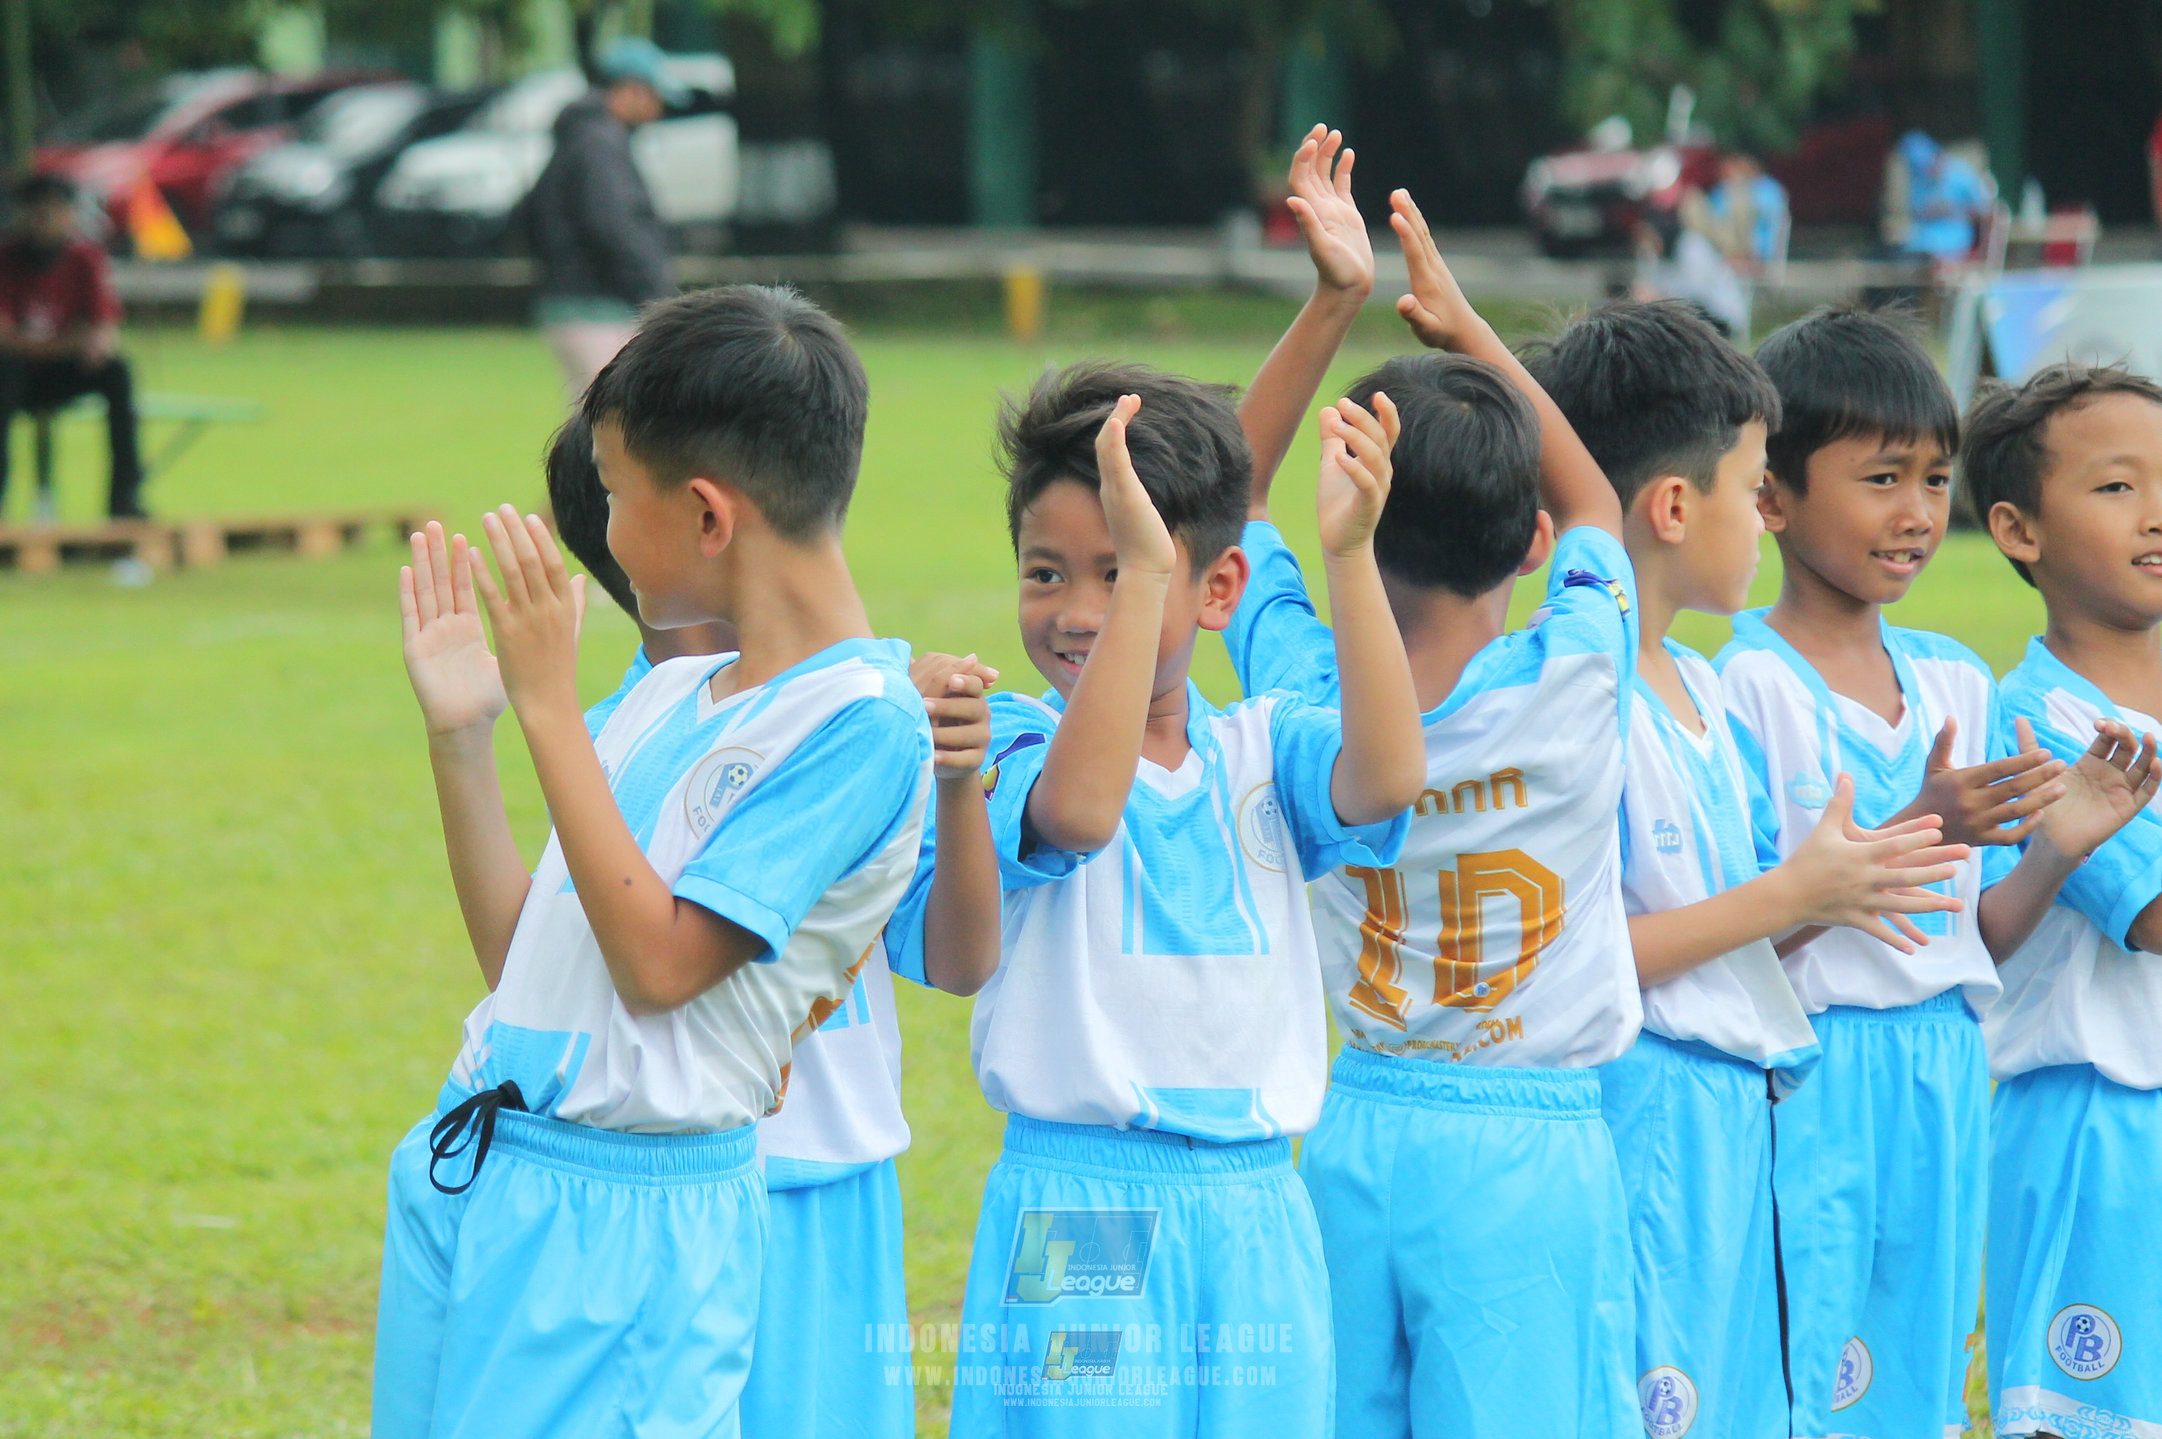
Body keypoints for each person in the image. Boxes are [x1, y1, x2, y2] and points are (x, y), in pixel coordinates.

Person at [374, 284, 933, 1439]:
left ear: (708, 515)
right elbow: (520, 956)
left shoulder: (861, 722)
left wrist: (546, 708)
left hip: (627, 1214)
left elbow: (659, 966)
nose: (605, 531)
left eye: (619, 494)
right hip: (487, 1150)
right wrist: (464, 731)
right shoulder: (671, 694)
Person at [942, 349, 1422, 1436]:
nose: (1074, 608)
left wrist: (1347, 556)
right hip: (1083, 1204)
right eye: (1045, 570)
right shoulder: (1018, 739)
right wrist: (1141, 587)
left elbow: (1388, 777)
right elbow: (1079, 813)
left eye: (1118, 570)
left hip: (1257, 1199)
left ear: (1218, 590)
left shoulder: (1261, 749)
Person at [1231, 186, 1642, 1436]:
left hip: (1358, 1125)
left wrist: (1329, 302)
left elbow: (1228, 503)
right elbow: (1597, 511)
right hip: (1533, 1149)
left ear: (1352, 509)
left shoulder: (1311, 695)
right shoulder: (1576, 676)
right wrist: (1467, 326)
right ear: (1522, 544)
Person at [1534, 299, 1971, 1434]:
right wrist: (1803, 892)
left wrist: (1855, 870)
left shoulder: (1695, 694)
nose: (1760, 508)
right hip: (1649, 1109)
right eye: (1748, 484)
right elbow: (1576, 961)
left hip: (1743, 1112)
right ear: (1680, 505)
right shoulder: (1590, 703)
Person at [1720, 307, 2152, 1436]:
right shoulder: (1742, 685)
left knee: (1914, 1384)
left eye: (1930, 478)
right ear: (1769, 497)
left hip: (1942, 1065)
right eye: (1879, 478)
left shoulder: (1951, 678)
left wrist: (2057, 844)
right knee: (1809, 1374)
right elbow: (1734, 949)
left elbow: (1977, 940)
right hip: (1811, 1074)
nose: (1915, 513)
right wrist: (1915, 821)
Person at [541, 410, 1002, 1439]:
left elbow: (958, 955)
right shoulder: (621, 737)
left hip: (827, 1176)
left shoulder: (864, 716)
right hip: (665, 1172)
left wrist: (957, 785)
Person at [1965, 363, 2162, 1439]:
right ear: (2016, 527)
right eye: (2115, 487)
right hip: (2096, 1132)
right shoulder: (2040, 719)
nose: (2156, 512)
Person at [526, 37, 683, 402]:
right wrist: (659, 296)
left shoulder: (582, 138)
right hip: (596, 308)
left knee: (603, 428)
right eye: (655, 96)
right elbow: (611, 226)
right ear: (631, 90)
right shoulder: (599, 145)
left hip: (577, 302)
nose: (658, 110)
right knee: (613, 428)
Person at [0, 173, 144, 519]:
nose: (44, 221)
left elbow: (101, 331)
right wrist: (66, 344)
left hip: (60, 371)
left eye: (54, 211)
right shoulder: (6, 259)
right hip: (14, 374)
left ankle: (124, 501)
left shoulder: (84, 259)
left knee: (117, 372)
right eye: (38, 212)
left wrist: (77, 345)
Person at [1887, 130, 1993, 264]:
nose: (1927, 172)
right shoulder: (1920, 180)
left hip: (1954, 242)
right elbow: (1916, 211)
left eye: (1929, 166)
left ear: (1937, 157)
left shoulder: (1961, 175)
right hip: (1922, 242)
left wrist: (1951, 210)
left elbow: (1984, 211)